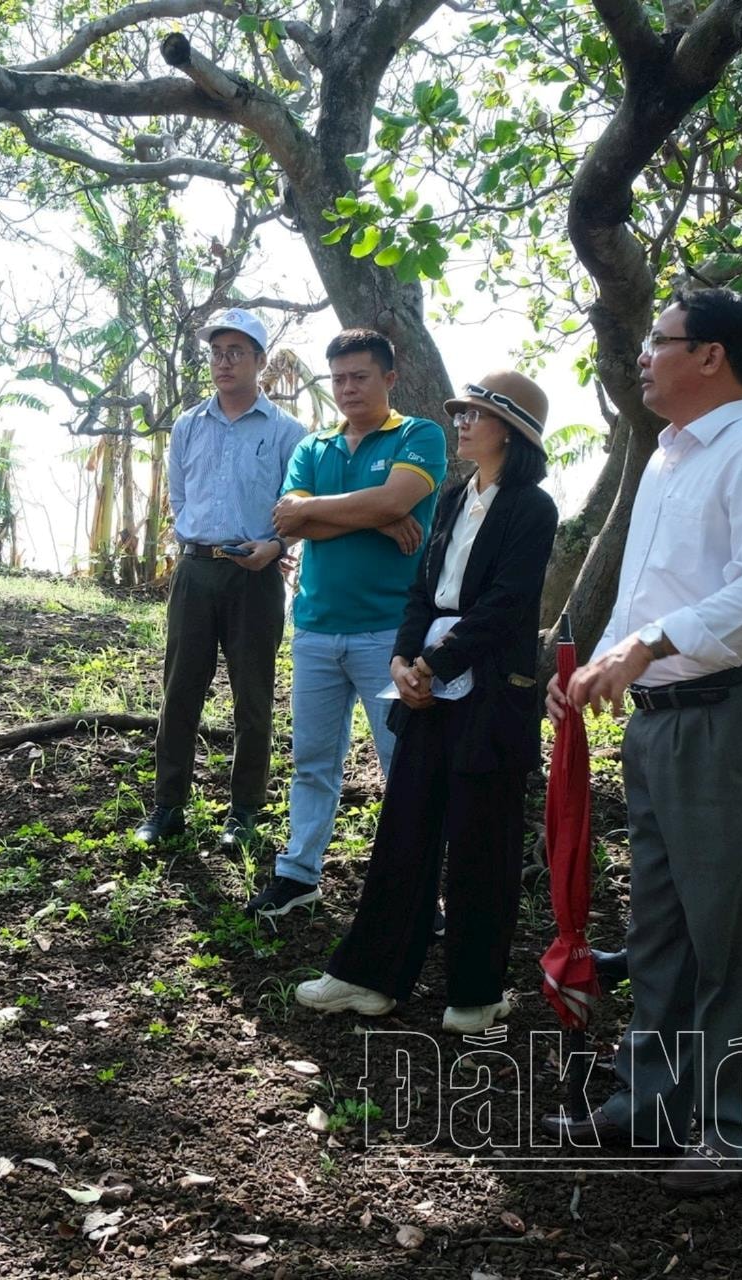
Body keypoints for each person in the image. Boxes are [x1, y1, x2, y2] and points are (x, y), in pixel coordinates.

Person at [541, 290, 742, 1197]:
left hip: (729, 713)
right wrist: (590, 667)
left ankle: (739, 1131)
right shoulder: (664, 460)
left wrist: (651, 644)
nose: (642, 357)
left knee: (729, 932)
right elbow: (645, 597)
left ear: (711, 357)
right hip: (659, 724)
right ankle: (646, 1103)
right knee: (659, 927)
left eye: (659, 342)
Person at [294, 371, 558, 1033]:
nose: (461, 423)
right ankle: (371, 978)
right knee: (404, 827)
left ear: (511, 430)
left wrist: (436, 664)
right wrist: (403, 659)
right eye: (460, 413)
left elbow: (507, 606)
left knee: (481, 844)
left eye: (475, 414)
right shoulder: (451, 498)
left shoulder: (533, 508)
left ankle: (474, 996)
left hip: (491, 693)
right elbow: (421, 590)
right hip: (425, 685)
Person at [245, 329, 449, 920]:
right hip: (314, 627)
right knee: (311, 761)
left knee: (404, 767)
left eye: (360, 376)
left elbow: (389, 502)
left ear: (389, 378)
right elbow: (289, 518)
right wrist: (376, 516)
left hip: (391, 633)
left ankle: (418, 890)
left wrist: (346, 511)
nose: (348, 388)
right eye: (338, 378)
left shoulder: (420, 434)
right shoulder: (314, 446)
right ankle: (298, 873)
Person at [131, 309, 304, 853]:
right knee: (180, 690)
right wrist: (197, 540)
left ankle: (245, 812)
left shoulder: (286, 432)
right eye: (216, 352)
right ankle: (168, 806)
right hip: (196, 570)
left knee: (253, 699)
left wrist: (272, 547)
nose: (224, 362)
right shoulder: (187, 425)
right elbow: (180, 496)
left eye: (236, 352)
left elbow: (296, 508)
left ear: (259, 361)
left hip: (256, 577)